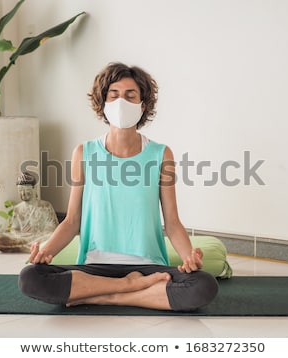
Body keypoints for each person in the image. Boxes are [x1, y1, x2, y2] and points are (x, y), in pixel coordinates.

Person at [19, 62, 218, 311]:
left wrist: (189, 257)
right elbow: (72, 221)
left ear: (142, 105)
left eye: (130, 95)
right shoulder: (85, 152)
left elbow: (173, 222)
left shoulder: (161, 154)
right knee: (30, 277)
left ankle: (104, 296)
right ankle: (131, 288)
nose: (121, 101)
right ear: (103, 103)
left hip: (148, 265)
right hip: (94, 266)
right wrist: (46, 251)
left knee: (203, 285)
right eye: (114, 95)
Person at [0, 171, 59, 253]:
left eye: (26, 190)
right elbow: (14, 230)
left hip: (41, 236)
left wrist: (36, 234)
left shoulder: (45, 206)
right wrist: (22, 235)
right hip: (23, 238)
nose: (23, 193)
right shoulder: (17, 209)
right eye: (20, 190)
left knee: (52, 237)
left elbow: (52, 228)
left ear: (34, 188)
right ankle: (31, 247)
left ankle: (24, 247)